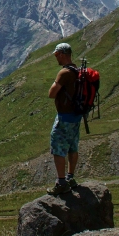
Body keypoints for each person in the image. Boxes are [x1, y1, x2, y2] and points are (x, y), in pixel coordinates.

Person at [46, 42, 82, 196]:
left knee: (58, 147)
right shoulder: (78, 70)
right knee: (73, 147)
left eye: (56, 55)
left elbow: (52, 93)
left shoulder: (64, 73)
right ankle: (71, 177)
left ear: (62, 53)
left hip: (64, 117)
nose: (56, 58)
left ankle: (61, 182)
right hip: (76, 116)